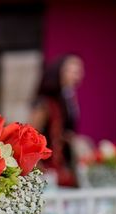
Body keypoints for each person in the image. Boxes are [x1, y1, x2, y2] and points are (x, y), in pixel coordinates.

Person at [30, 54, 85, 187]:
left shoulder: (68, 98)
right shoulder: (45, 102)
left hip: (65, 162)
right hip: (48, 164)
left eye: (78, 70)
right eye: (71, 70)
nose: (75, 74)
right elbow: (32, 134)